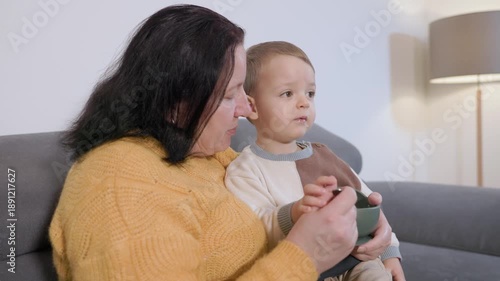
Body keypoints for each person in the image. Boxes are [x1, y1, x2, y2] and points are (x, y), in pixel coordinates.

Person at [49, 5, 392, 280]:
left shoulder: (209, 154)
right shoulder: (117, 184)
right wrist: (304, 256)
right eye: (231, 95)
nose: (246, 109)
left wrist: (366, 225)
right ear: (176, 105)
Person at [225, 41, 406, 281]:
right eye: (287, 93)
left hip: (357, 261)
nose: (304, 102)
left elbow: (370, 206)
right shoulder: (244, 170)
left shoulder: (326, 155)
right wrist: (295, 213)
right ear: (252, 107)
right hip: (305, 271)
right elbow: (255, 231)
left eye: (310, 93)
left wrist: (389, 253)